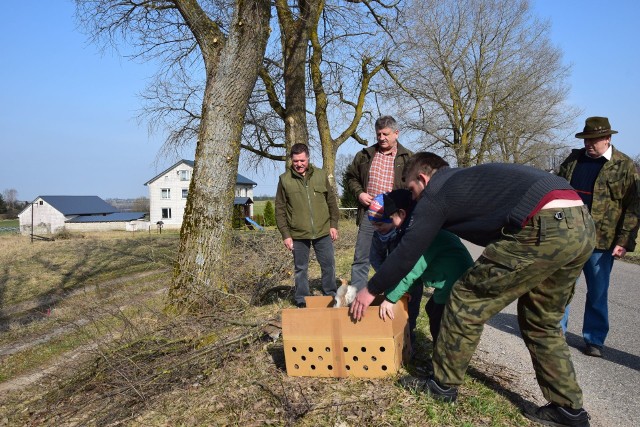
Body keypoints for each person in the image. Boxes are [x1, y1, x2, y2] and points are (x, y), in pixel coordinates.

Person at [350, 152, 596, 427]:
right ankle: (568, 409)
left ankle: (442, 386)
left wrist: (371, 289)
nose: (414, 198)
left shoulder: (437, 190)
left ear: (422, 178)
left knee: (464, 298)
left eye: (411, 189)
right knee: (542, 321)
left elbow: (409, 251)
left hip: (543, 223)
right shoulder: (464, 181)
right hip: (580, 221)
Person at [558, 117, 640, 358]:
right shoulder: (573, 160)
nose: (589, 145)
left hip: (602, 242)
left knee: (597, 292)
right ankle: (556, 334)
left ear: (608, 138)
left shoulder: (624, 166)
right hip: (569, 237)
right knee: (561, 287)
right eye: (586, 140)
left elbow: (634, 207)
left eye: (594, 140)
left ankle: (594, 339)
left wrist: (624, 241)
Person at [368, 189, 473, 349]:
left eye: (388, 219)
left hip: (455, 282)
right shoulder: (419, 227)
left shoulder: (422, 234)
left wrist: (390, 299)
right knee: (432, 309)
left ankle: (445, 366)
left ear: (402, 214)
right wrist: (403, 290)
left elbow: (411, 270)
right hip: (452, 279)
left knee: (441, 323)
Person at [344, 115, 412, 291]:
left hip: (395, 215)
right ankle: (358, 295)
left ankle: (393, 293)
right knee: (362, 257)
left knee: (395, 257)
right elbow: (351, 177)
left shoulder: (408, 158)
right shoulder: (365, 155)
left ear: (396, 133)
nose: (381, 138)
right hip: (370, 214)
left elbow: (414, 188)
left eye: (385, 134)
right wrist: (359, 194)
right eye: (378, 134)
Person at [275, 143, 339, 308]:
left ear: (308, 158)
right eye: (296, 161)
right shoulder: (284, 180)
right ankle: (302, 300)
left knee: (328, 265)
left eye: (302, 160)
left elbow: (331, 202)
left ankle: (330, 296)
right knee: (300, 268)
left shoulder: (320, 175)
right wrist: (286, 235)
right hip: (297, 234)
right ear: (291, 160)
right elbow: (280, 210)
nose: (299, 164)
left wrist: (333, 224)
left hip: (323, 230)